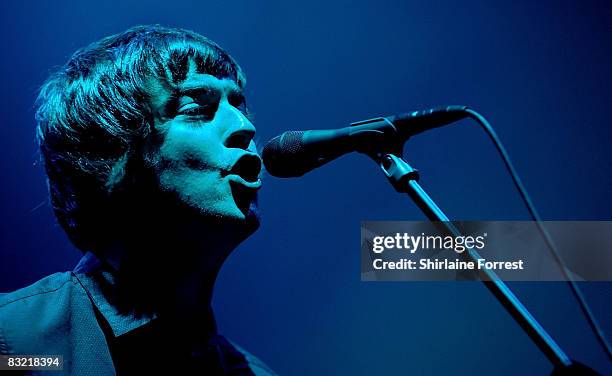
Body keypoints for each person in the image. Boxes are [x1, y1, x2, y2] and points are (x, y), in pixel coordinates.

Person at [0, 25, 276, 375]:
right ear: (109, 154)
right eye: (195, 107)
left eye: (238, 105)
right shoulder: (12, 340)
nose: (244, 126)